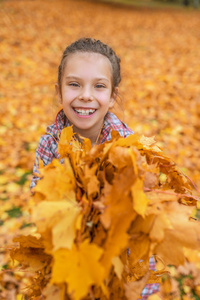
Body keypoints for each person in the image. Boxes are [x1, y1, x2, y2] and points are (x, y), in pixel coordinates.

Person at [30, 37, 159, 298]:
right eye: (74, 84)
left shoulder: (128, 147)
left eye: (99, 86)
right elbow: (38, 197)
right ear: (59, 92)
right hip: (71, 251)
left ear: (112, 97)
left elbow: (144, 208)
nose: (86, 95)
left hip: (121, 257)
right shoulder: (49, 144)